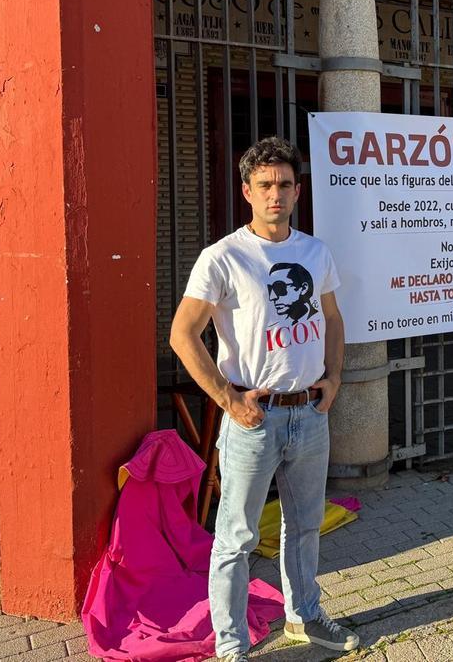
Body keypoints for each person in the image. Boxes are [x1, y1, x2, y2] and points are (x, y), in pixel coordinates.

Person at [169, 136, 359, 660]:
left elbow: (333, 318)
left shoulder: (315, 252)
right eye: (265, 185)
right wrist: (228, 400)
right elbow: (183, 334)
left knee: (304, 527)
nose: (275, 194)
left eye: (284, 185)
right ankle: (231, 644)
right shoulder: (223, 258)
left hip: (308, 414)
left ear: (298, 192)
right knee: (235, 537)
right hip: (254, 420)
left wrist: (334, 377)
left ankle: (305, 616)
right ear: (247, 190)